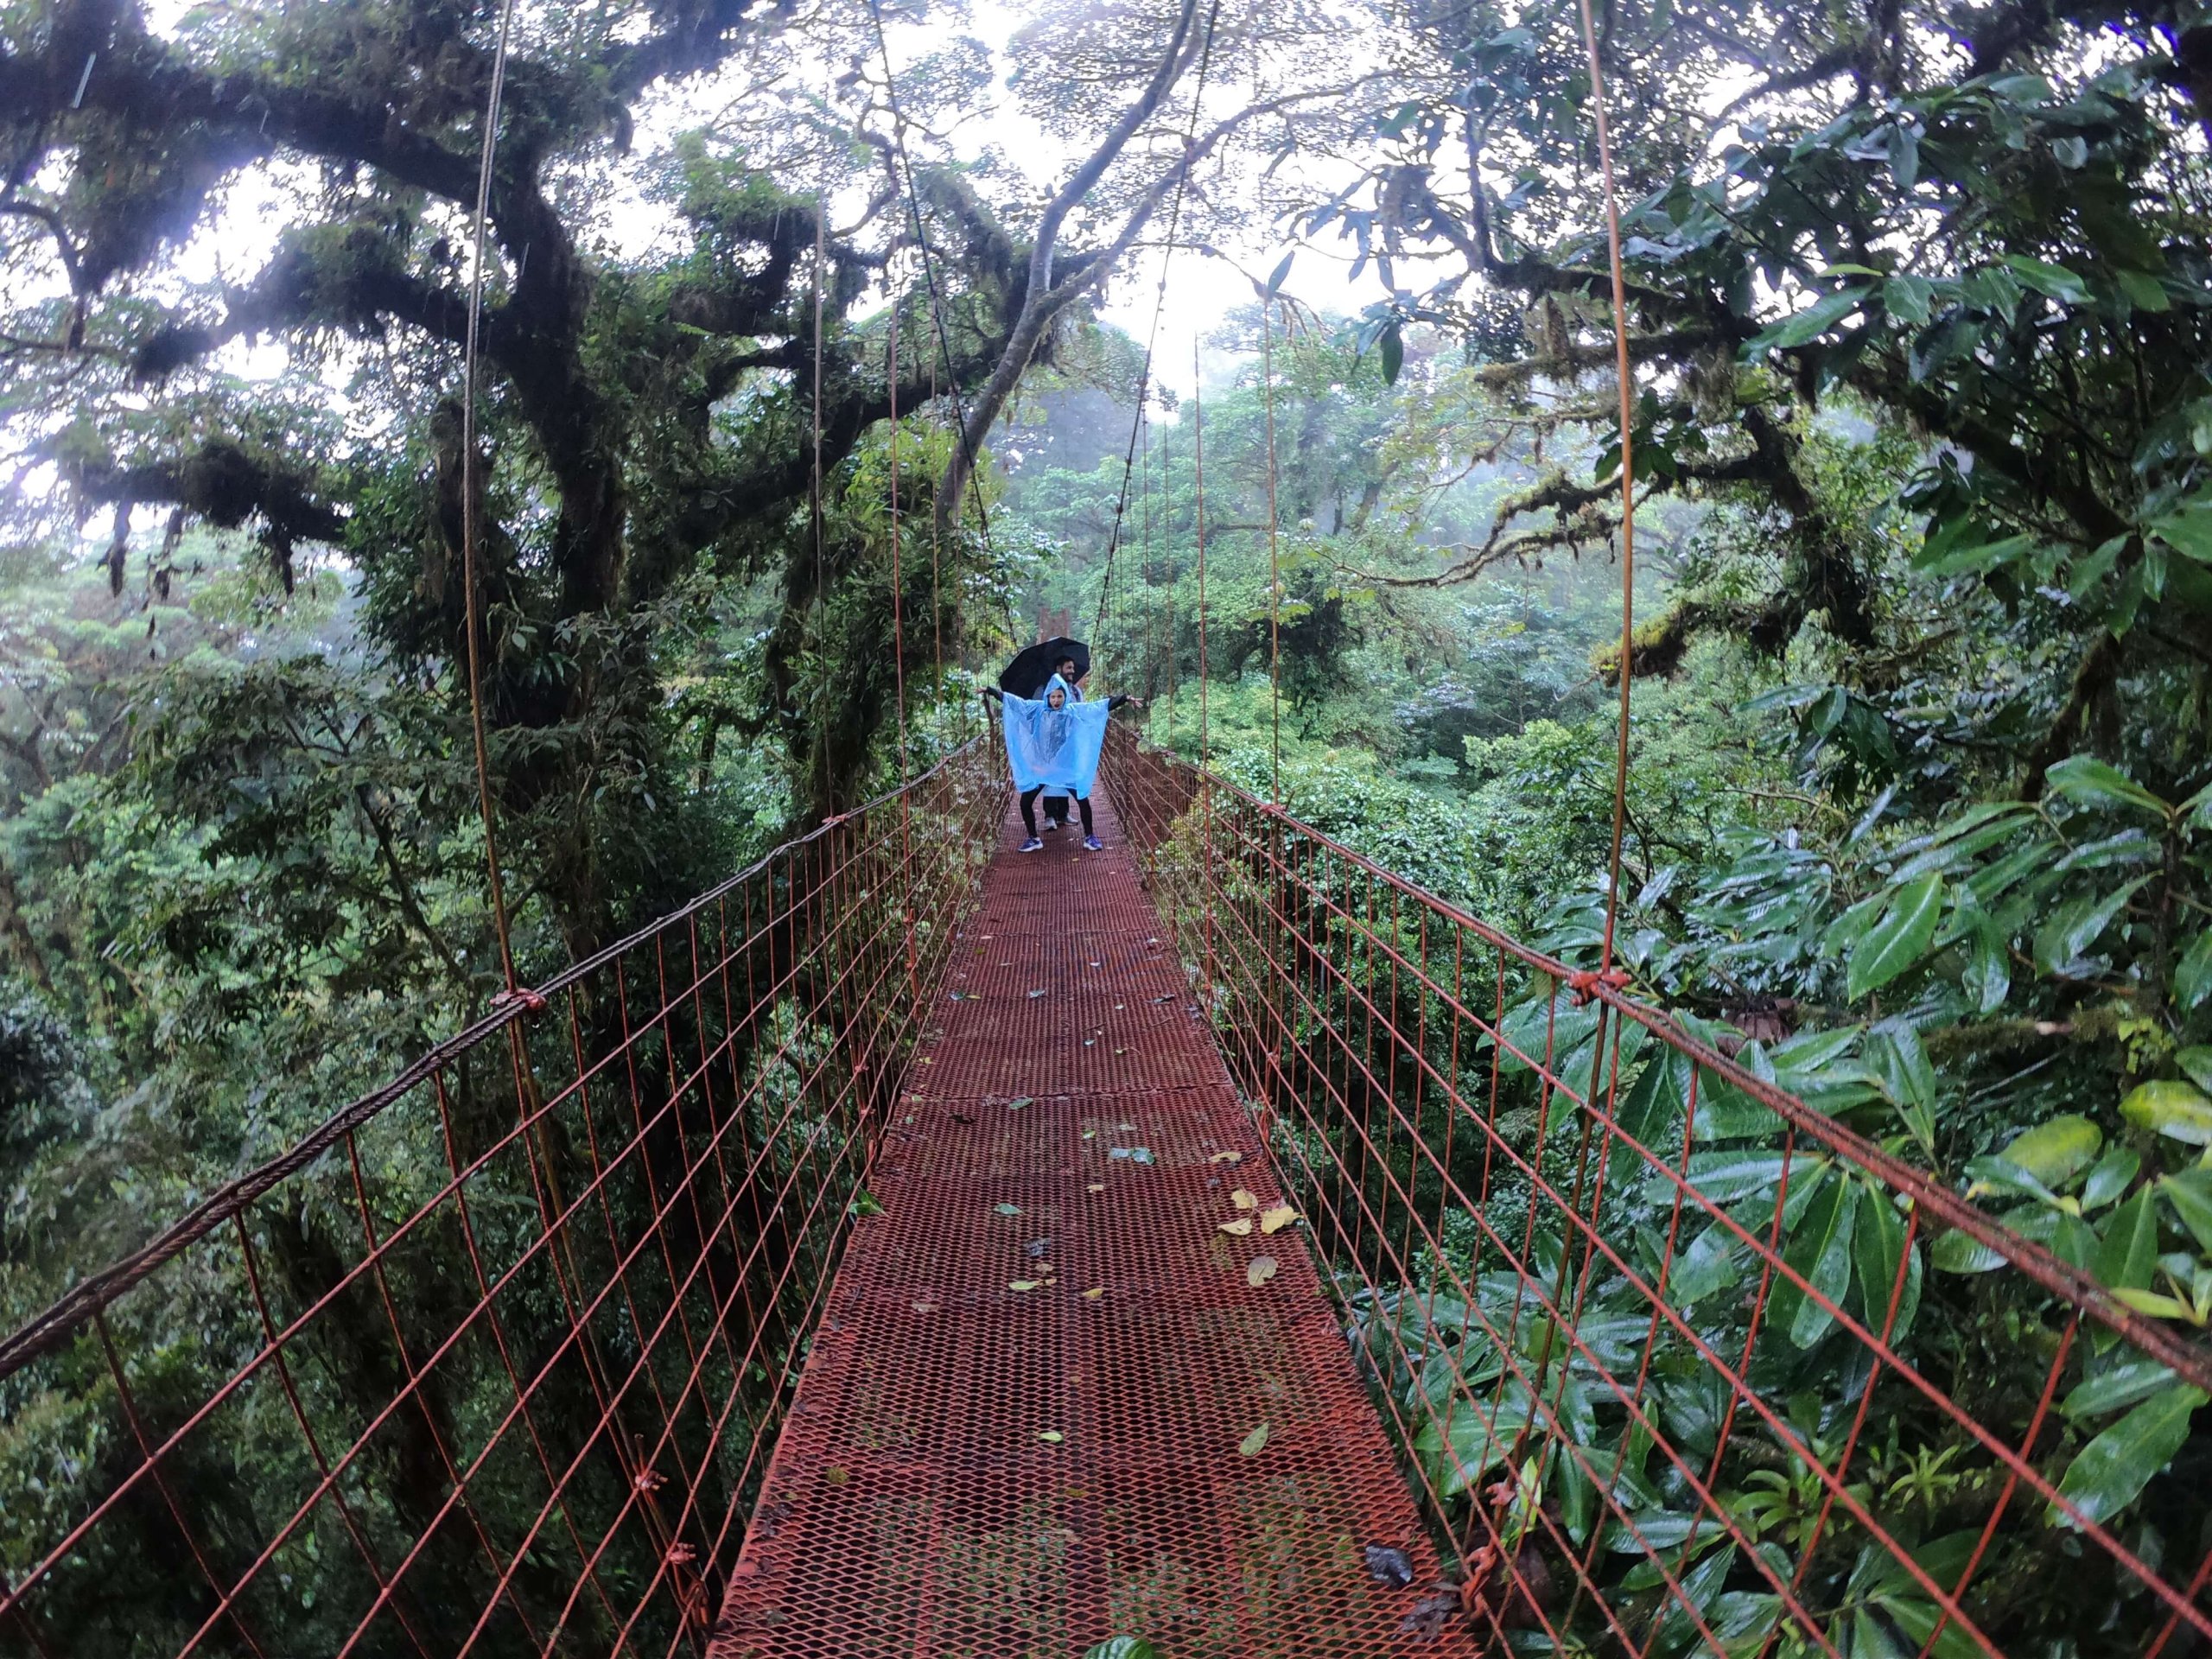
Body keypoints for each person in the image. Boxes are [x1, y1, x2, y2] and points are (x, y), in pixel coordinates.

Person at [981, 674, 1141, 851]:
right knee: (1025, 802)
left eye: (1060, 696)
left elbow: (1098, 707)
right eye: (1053, 696)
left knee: (1082, 798)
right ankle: (1034, 838)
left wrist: (1124, 699)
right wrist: (991, 691)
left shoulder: (1072, 711)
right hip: (1044, 767)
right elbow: (1015, 703)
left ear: (1065, 697)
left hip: (1065, 766)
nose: (1056, 700)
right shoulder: (1038, 710)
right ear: (1047, 697)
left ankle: (1089, 837)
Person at [1039, 654, 1084, 832]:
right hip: (1050, 743)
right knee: (1051, 777)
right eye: (1069, 668)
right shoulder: (1047, 691)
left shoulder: (1075, 692)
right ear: (1059, 670)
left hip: (1070, 742)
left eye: (1072, 668)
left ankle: (1064, 813)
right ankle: (1050, 815)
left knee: (1065, 776)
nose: (1072, 671)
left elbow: (1082, 711)